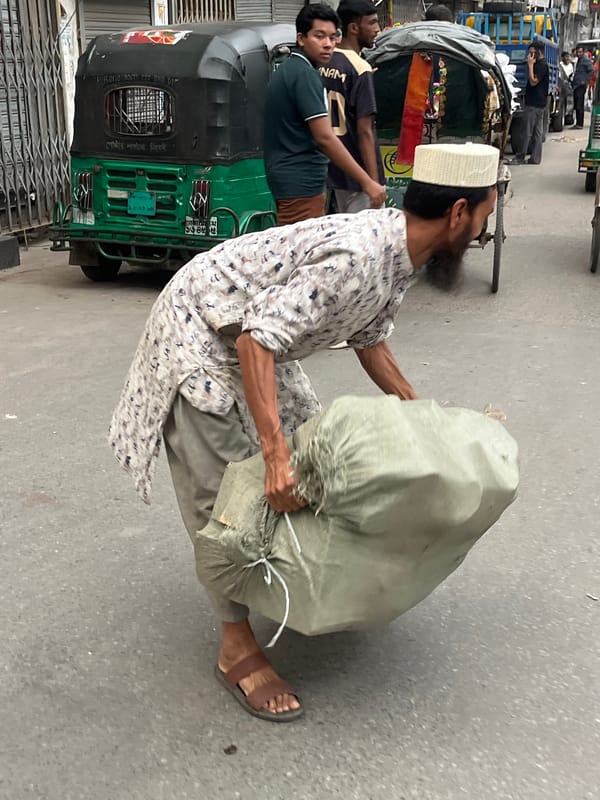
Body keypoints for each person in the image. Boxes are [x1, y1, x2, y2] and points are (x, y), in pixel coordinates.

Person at [108, 142, 499, 722]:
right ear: (458, 213)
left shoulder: (402, 254)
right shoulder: (358, 256)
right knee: (227, 499)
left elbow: (369, 339)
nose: (485, 231)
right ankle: (235, 644)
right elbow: (253, 342)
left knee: (308, 449)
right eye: (487, 216)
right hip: (199, 333)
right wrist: (271, 458)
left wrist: (428, 420)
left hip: (254, 332)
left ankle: (281, 577)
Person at [263, 3, 386, 225]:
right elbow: (325, 137)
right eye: (319, 36)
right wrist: (368, 182)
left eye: (332, 37)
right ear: (301, 38)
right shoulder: (304, 75)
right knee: (301, 250)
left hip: (293, 177)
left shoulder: (292, 69)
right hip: (300, 181)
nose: (328, 44)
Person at [319, 0, 384, 213]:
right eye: (372, 23)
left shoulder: (322, 62)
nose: (378, 29)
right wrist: (372, 183)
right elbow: (364, 131)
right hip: (357, 174)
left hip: (329, 170)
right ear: (354, 28)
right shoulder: (360, 68)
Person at [509, 40, 548, 165]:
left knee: (526, 131)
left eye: (532, 52)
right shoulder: (541, 63)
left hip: (534, 103)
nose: (530, 55)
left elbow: (533, 81)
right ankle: (535, 158)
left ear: (539, 51)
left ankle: (520, 157)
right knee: (537, 132)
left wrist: (530, 66)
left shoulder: (541, 65)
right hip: (539, 103)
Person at [572, 44, 594, 129]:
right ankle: (578, 123)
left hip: (581, 85)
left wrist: (585, 80)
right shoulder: (579, 60)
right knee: (577, 104)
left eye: (580, 52)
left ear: (583, 52)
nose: (579, 53)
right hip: (576, 85)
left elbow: (591, 71)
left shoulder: (586, 60)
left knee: (579, 105)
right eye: (578, 52)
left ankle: (580, 124)